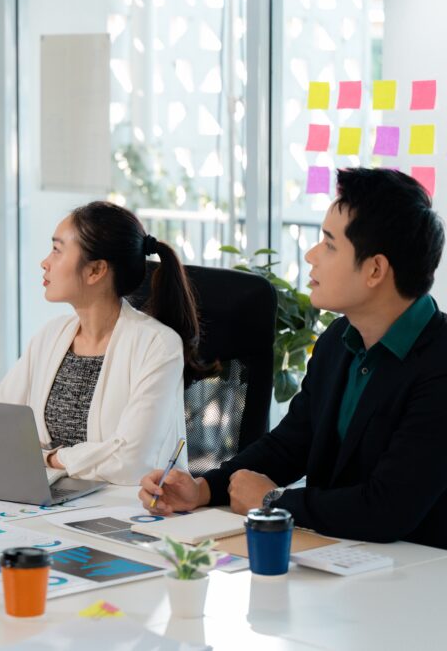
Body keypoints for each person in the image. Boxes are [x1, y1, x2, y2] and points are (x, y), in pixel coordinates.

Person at [139, 168, 447, 549]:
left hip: (418, 578)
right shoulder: (339, 339)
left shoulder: (438, 362)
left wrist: (274, 503)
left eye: (330, 245)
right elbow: (290, 445)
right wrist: (202, 489)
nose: (311, 255)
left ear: (375, 270)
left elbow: (388, 509)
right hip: (340, 563)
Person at [0, 201, 214, 483]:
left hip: (126, 517)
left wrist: (46, 459)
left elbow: (130, 461)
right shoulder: (51, 336)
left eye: (57, 250)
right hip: (50, 506)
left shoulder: (157, 346)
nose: (45, 262)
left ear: (96, 270)